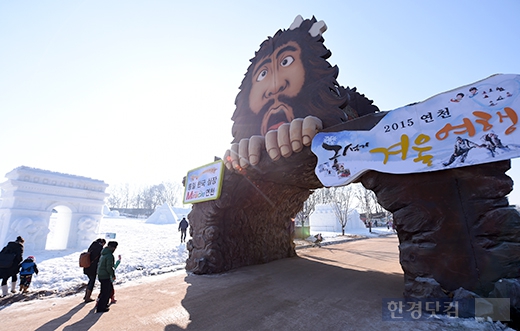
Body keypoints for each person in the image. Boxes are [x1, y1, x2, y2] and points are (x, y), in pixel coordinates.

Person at [96, 241, 118, 313]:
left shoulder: (104, 253)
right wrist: (113, 275)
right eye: (114, 248)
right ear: (112, 247)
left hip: (101, 274)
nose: (114, 249)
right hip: (105, 275)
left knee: (105, 291)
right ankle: (101, 307)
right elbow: (109, 267)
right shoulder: (109, 256)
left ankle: (103, 305)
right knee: (106, 292)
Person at [83, 238, 106, 303]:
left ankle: (86, 296)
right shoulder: (99, 247)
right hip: (93, 267)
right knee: (92, 281)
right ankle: (87, 297)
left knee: (90, 280)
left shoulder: (92, 246)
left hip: (87, 265)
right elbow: (100, 257)